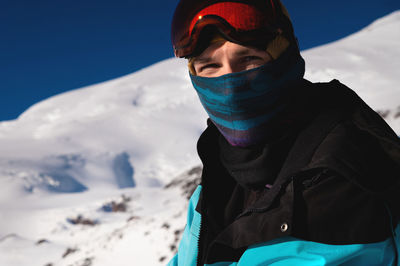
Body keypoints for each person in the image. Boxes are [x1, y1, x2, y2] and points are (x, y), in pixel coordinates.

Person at [168, 0, 400, 265]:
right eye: (209, 67)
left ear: (284, 60)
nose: (229, 85)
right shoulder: (215, 183)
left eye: (249, 59)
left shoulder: (346, 169)